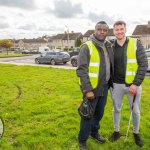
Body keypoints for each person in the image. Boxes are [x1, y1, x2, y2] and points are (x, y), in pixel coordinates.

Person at [109, 21, 148, 147]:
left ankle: (136, 133)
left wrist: (136, 84)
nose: (119, 31)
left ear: (125, 29)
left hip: (133, 85)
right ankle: (116, 131)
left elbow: (143, 64)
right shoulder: (110, 47)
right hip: (116, 85)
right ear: (114, 31)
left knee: (135, 111)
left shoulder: (136, 43)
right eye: (117, 29)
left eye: (121, 29)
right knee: (116, 109)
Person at [76, 21, 114, 150]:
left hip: (104, 87)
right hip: (91, 89)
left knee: (99, 114)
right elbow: (81, 70)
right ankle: (82, 140)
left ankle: (94, 133)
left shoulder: (108, 45)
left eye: (105, 30)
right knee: (87, 115)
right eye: (99, 29)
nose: (102, 32)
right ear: (95, 30)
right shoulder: (87, 46)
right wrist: (87, 90)